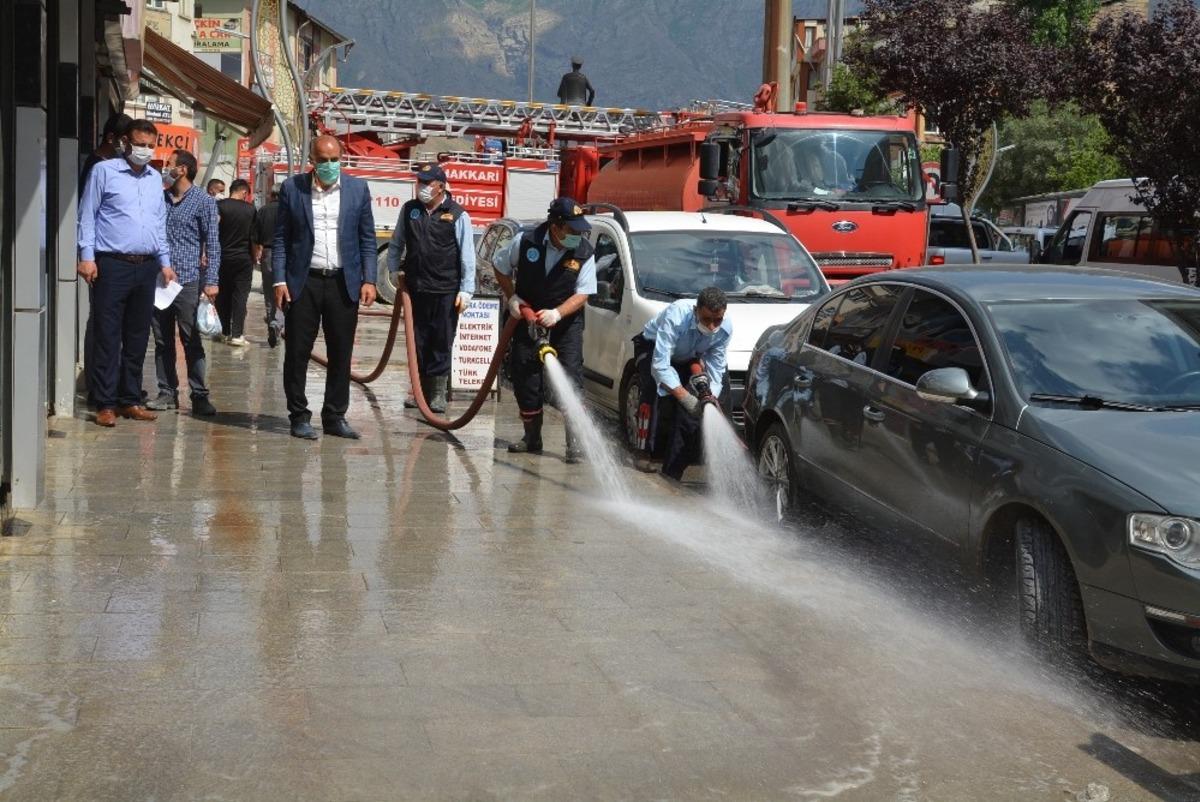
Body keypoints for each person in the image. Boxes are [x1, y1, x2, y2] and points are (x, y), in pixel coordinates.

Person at [273, 134, 378, 440]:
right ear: (312, 161)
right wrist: (279, 279)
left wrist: (369, 279)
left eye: (335, 160)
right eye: (323, 160)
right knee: (297, 353)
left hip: (343, 283)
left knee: (341, 352)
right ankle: (299, 415)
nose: (330, 165)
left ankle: (334, 415)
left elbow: (367, 239)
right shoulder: (293, 188)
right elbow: (281, 238)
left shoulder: (358, 189)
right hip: (303, 282)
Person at [77, 118, 174, 428]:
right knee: (107, 335)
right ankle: (104, 403)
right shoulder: (103, 172)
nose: (144, 150)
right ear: (125, 144)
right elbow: (87, 216)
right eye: (139, 144)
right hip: (112, 264)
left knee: (137, 335)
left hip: (145, 267)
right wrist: (86, 256)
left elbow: (159, 223)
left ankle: (130, 399)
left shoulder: (153, 179)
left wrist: (165, 261)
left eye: (150, 145)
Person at [494, 198, 597, 462]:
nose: (578, 235)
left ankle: (574, 444)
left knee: (571, 378)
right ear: (556, 226)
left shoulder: (583, 251)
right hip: (527, 317)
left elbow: (584, 292)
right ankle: (532, 438)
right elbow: (500, 266)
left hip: (565, 321)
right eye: (572, 230)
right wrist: (513, 298)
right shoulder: (526, 241)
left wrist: (558, 313)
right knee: (526, 376)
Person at [389, 163, 475, 414]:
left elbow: (467, 256)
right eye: (420, 182)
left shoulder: (458, 215)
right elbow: (396, 243)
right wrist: (394, 270)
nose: (422, 187)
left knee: (440, 340)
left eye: (427, 183)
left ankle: (437, 394)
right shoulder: (410, 210)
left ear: (441, 186)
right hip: (416, 288)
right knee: (418, 341)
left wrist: (466, 290)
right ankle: (419, 391)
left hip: (446, 289)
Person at [148, 148, 221, 415]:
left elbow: (213, 243)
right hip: (159, 280)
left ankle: (199, 394)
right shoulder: (162, 198)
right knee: (162, 338)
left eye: (169, 164)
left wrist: (211, 280)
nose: (165, 168)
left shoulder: (203, 201)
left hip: (188, 280)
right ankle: (167, 392)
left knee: (191, 338)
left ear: (182, 170)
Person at [633, 287, 732, 480]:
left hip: (689, 356)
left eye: (717, 320)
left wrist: (709, 397)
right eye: (706, 320)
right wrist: (684, 397)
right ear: (696, 311)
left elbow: (716, 368)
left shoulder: (725, 329)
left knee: (695, 408)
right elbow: (660, 366)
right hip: (653, 348)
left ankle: (674, 468)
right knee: (654, 389)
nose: (712, 327)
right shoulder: (677, 315)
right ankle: (644, 451)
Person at [216, 179, 257, 346]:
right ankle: (237, 334)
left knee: (223, 295)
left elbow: (213, 230)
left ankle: (224, 331)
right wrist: (254, 257)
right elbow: (254, 238)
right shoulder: (251, 210)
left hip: (222, 257)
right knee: (240, 295)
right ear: (245, 192)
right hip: (243, 258)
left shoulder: (220, 206)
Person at [252, 184, 283, 347]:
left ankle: (272, 321)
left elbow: (256, 236)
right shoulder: (289, 209)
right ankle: (277, 323)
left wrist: (258, 251)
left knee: (270, 293)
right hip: (286, 254)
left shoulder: (263, 210)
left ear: (271, 195)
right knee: (285, 292)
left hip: (268, 254)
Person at [80, 113, 133, 194]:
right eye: (125, 141)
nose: (129, 145)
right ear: (110, 138)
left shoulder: (119, 159)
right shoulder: (95, 167)